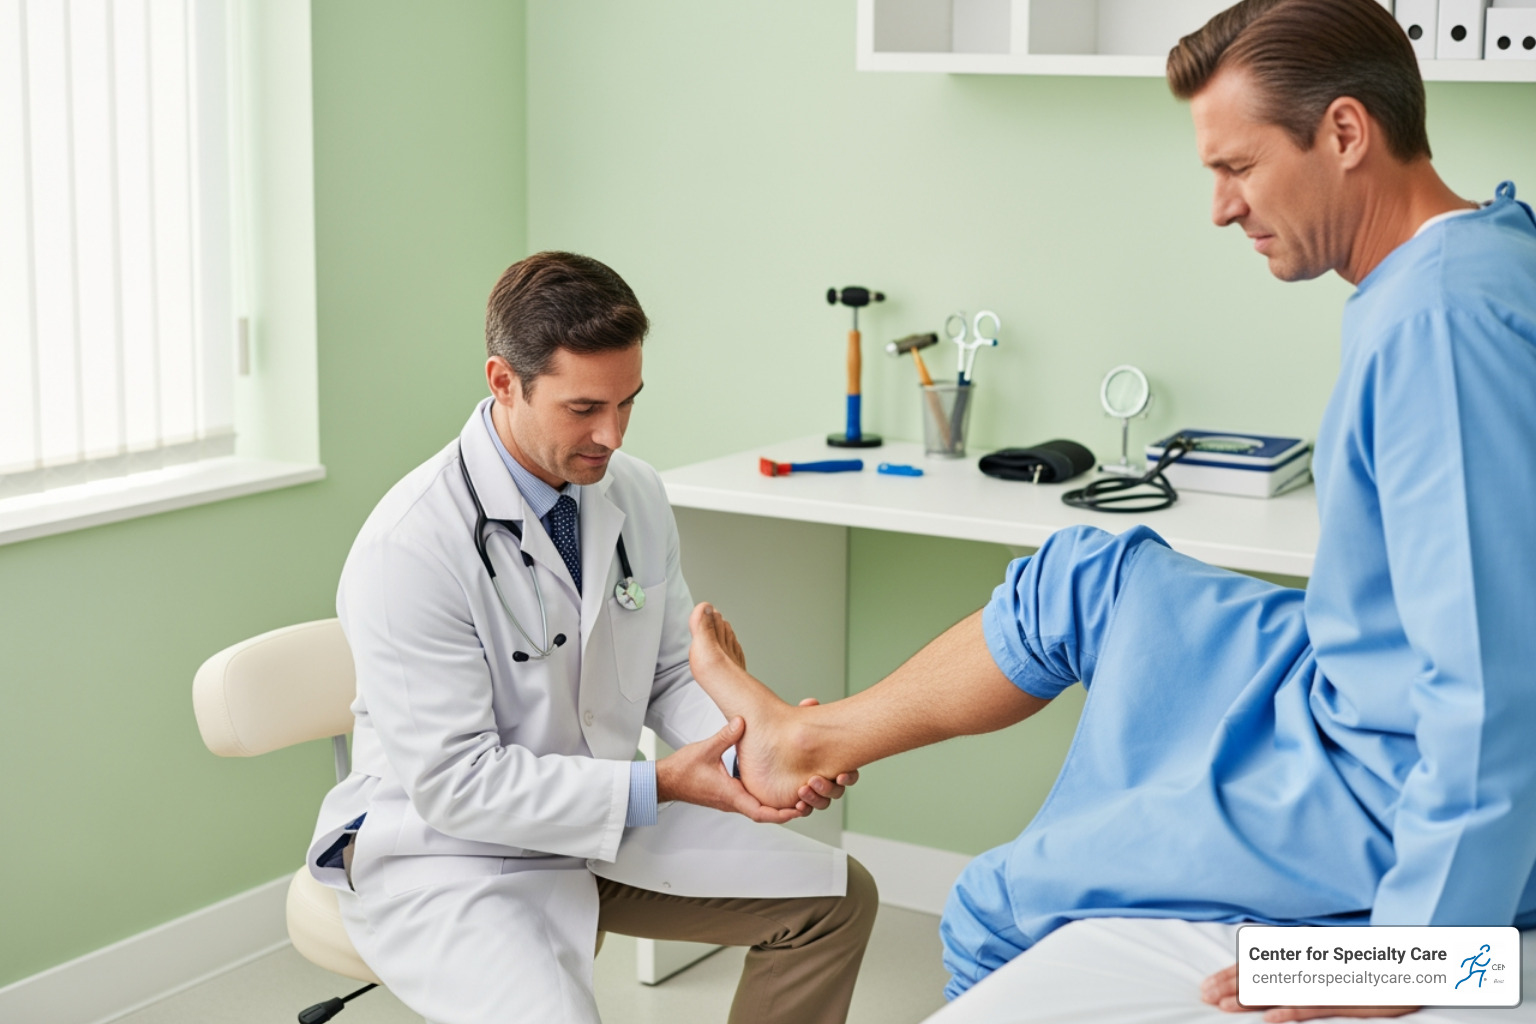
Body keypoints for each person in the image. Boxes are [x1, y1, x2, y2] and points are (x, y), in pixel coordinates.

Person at [684, 1, 1536, 1020]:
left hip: (1378, 774)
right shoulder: (1473, 248)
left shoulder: (1441, 324)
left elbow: (1494, 688)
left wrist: (1412, 961)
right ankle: (811, 741)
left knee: (1001, 899)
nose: (1221, 208)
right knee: (1091, 572)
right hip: (1348, 679)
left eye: (1238, 168)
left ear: (1346, 133)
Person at [306, 251, 876, 1024]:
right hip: (447, 851)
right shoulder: (408, 548)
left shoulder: (630, 491)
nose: (611, 435)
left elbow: (671, 670)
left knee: (834, 901)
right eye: (583, 409)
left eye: (628, 402)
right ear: (503, 380)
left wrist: (753, 753)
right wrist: (661, 785)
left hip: (598, 815)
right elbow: (458, 784)